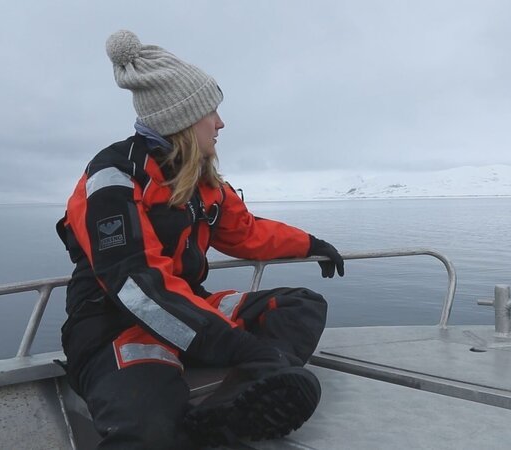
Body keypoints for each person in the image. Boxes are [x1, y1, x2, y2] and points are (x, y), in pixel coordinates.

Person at [56, 29, 345, 449]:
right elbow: (138, 288)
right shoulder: (112, 179)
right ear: (184, 120)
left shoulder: (200, 180)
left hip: (185, 307)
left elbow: (246, 231)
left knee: (301, 307)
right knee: (150, 430)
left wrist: (311, 244)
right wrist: (240, 347)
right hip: (115, 325)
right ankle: (252, 379)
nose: (221, 123)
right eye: (212, 112)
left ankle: (227, 410)